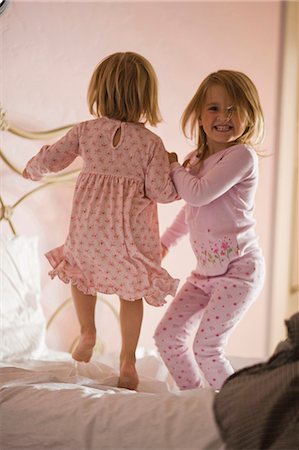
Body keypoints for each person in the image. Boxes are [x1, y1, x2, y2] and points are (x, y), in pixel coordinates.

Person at [23, 51, 179, 390]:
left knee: (80, 277)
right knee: (131, 294)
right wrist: (174, 164)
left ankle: (88, 331)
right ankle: (127, 358)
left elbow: (51, 160)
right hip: (129, 238)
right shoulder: (151, 144)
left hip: (89, 231)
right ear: (146, 98)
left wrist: (32, 168)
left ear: (99, 92)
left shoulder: (85, 131)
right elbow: (162, 192)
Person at [154, 69, 266, 391]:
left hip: (239, 271)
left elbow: (198, 193)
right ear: (200, 116)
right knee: (168, 337)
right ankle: (197, 400)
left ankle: (239, 410)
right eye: (214, 108)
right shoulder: (196, 159)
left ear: (250, 115)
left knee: (207, 348)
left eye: (233, 109)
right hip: (205, 274)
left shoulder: (242, 156)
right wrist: (165, 244)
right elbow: (190, 210)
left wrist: (174, 166)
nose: (223, 116)